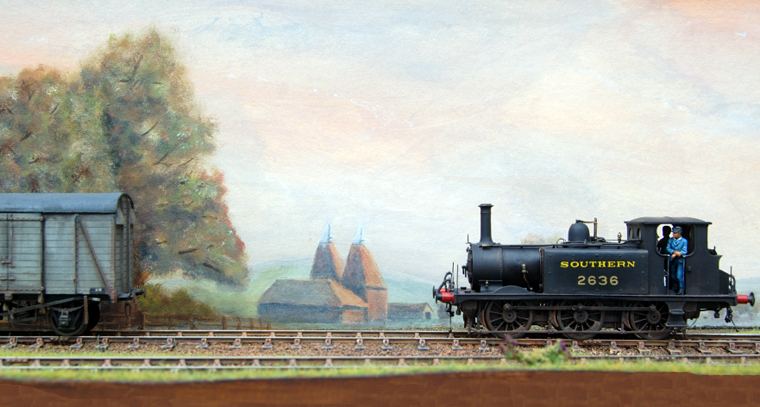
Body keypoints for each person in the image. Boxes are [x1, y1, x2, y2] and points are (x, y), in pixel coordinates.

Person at [667, 226, 688, 294]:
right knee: (672, 275)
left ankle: (681, 289)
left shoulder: (684, 241)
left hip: (680, 260)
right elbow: (668, 248)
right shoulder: (670, 240)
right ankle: (674, 287)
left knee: (679, 276)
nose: (673, 234)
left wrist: (677, 254)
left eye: (675, 233)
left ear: (679, 233)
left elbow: (684, 251)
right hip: (672, 260)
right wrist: (674, 252)